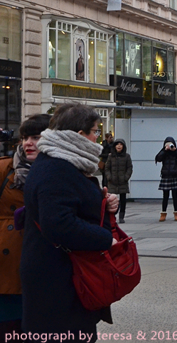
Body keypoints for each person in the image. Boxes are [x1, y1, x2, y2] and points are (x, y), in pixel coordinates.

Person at [20, 103, 119, 339]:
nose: (97, 137)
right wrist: (106, 239)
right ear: (79, 135)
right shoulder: (57, 167)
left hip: (60, 274)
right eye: (95, 130)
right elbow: (59, 224)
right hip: (58, 279)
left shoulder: (60, 162)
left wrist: (103, 202)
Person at [0, 114, 50, 333]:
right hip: (7, 264)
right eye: (25, 137)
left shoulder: (63, 170)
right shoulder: (5, 169)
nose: (28, 143)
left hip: (44, 261)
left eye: (36, 137)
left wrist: (109, 202)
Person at [156, 136, 177, 222]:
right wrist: (164, 150)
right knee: (165, 196)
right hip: (166, 176)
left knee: (175, 196)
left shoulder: (176, 153)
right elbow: (158, 158)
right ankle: (163, 213)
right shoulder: (164, 153)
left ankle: (176, 213)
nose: (169, 147)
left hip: (175, 176)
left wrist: (175, 150)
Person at [105, 138, 133, 223]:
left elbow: (129, 168)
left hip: (122, 181)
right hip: (112, 182)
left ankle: (121, 216)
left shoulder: (127, 156)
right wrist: (109, 177)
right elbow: (107, 168)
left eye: (121, 144)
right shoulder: (110, 156)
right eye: (117, 144)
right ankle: (112, 215)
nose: (119, 146)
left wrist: (125, 177)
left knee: (123, 199)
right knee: (111, 200)